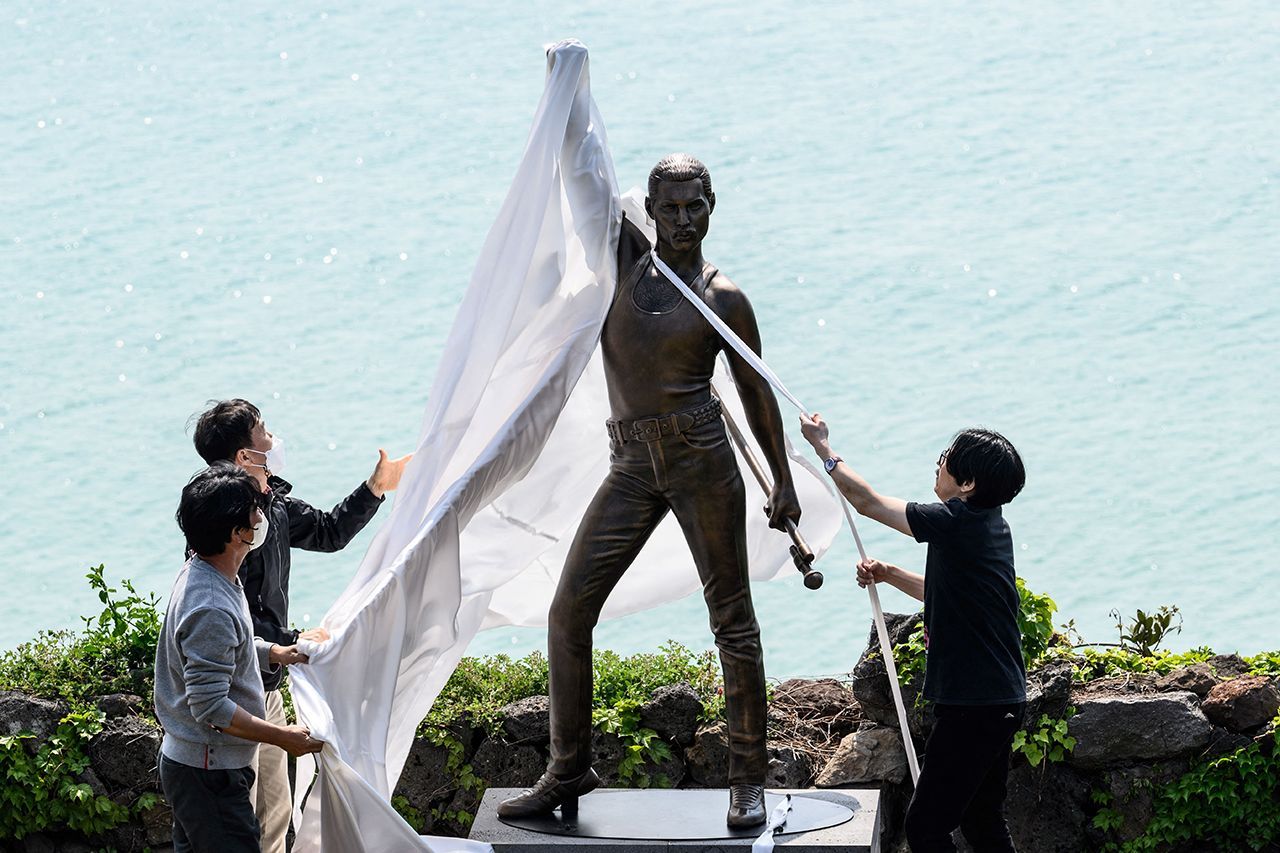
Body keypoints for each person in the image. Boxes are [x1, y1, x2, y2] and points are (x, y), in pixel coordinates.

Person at [498, 154, 802, 828]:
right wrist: (566, 73)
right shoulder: (623, 266)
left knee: (733, 619)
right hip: (631, 462)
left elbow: (755, 392)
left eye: (696, 206)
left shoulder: (724, 298)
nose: (684, 219)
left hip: (701, 460)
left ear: (712, 206)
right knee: (568, 611)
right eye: (670, 207)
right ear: (652, 209)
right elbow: (584, 175)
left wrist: (782, 478)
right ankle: (569, 766)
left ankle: (747, 779)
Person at [798, 416, 1027, 852]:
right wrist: (889, 574)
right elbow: (948, 594)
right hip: (1000, 699)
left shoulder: (955, 522)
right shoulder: (990, 526)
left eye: (945, 460)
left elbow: (868, 503)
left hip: (973, 705)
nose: (937, 465)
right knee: (981, 820)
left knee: (925, 827)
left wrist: (824, 449)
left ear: (968, 483)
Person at [190, 399, 410, 852]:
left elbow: (329, 531)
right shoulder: (219, 525)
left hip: (266, 682)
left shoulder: (270, 503)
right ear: (244, 457)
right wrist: (289, 642)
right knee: (237, 823)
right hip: (235, 692)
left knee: (276, 813)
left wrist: (375, 487)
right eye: (264, 432)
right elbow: (230, 618)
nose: (275, 439)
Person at [156, 463, 325, 853]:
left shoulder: (209, 571)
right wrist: (282, 737)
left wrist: (274, 653)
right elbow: (211, 706)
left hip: (198, 766)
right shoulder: (211, 603)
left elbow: (229, 648)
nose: (262, 518)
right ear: (238, 533)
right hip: (207, 773)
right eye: (256, 513)